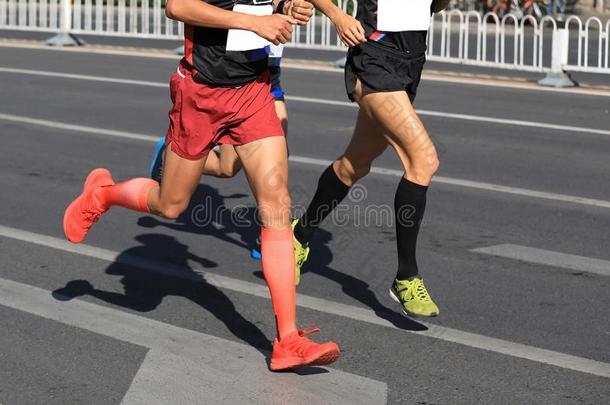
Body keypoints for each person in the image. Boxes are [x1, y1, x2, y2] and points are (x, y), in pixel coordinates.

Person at [63, 0, 340, 371]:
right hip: (201, 92)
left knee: (277, 203)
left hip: (254, 92)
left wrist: (290, 7)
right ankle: (103, 194)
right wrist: (250, 23)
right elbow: (176, 6)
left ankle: (287, 339)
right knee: (170, 205)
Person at [290, 0, 450, 317]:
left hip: (410, 62)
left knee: (355, 164)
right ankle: (406, 276)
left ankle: (298, 236)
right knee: (424, 160)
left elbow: (436, 6)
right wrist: (337, 16)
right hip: (374, 59)